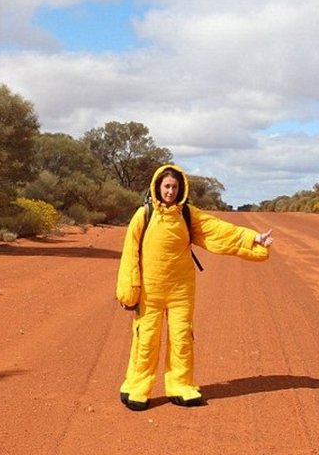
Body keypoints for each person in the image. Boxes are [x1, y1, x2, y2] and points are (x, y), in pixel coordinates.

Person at [115, 164, 274, 410]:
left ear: (181, 189)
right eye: (167, 186)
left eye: (175, 187)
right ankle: (137, 387)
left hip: (181, 291)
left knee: (182, 338)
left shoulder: (188, 215)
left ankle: (180, 386)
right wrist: (128, 290)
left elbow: (218, 231)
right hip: (150, 292)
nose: (170, 191)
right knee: (146, 339)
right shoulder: (143, 215)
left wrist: (252, 238)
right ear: (158, 186)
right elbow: (129, 255)